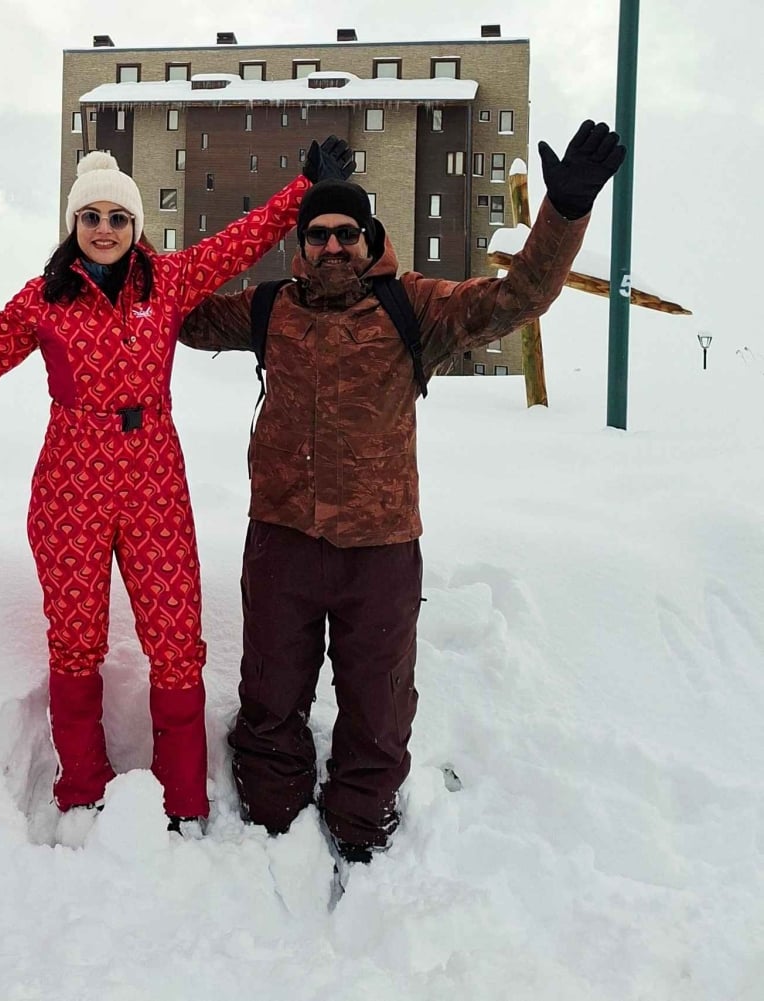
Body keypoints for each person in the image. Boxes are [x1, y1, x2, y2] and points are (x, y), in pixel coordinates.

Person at [177, 119, 627, 864]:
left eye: (346, 233)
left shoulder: (411, 306)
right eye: (317, 233)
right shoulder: (268, 311)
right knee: (270, 692)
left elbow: (519, 297)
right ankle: (270, 808)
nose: (331, 246)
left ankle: (361, 821)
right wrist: (111, 246)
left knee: (378, 707)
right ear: (301, 245)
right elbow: (180, 313)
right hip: (282, 540)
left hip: (380, 550)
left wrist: (565, 211)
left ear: (368, 238)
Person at [0, 140, 353, 830]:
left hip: (153, 475)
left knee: (175, 637)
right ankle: (81, 789)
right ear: (73, 225)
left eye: (118, 218)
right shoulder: (44, 299)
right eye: (91, 216)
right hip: (71, 478)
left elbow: (237, 244)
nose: (104, 228)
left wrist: (304, 185)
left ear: (136, 227)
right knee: (75, 640)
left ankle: (185, 798)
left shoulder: (165, 281)